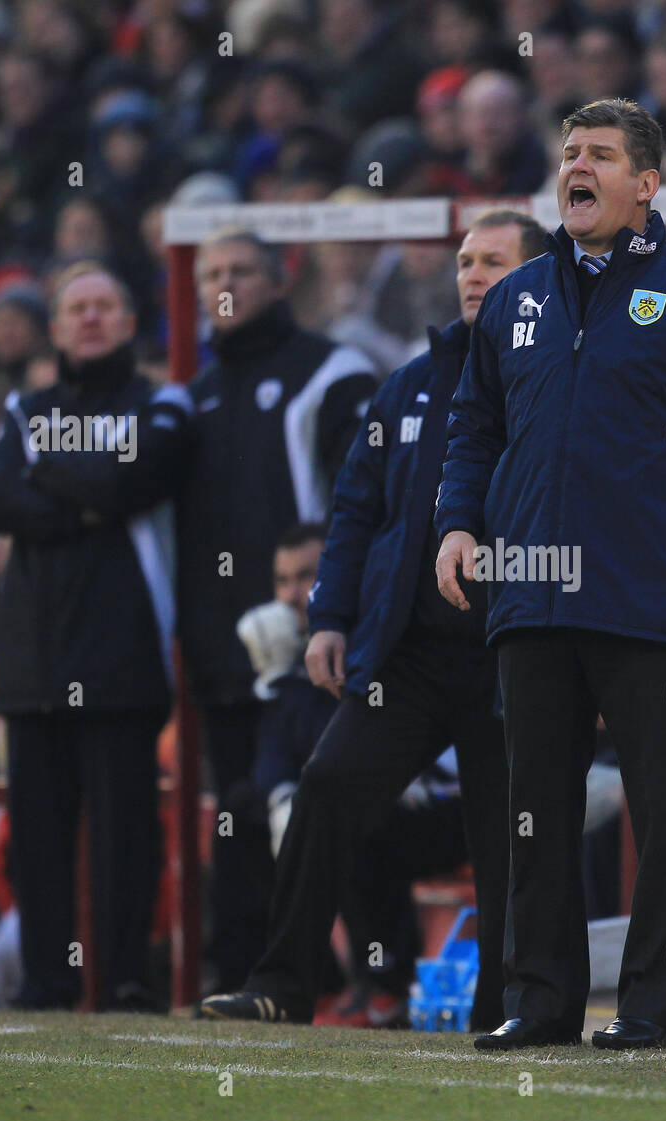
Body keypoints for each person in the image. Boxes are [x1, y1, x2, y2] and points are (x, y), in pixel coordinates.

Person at [436, 99, 666, 1050]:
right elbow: (474, 426)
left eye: (598, 154)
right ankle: (542, 1004)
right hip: (529, 593)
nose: (576, 168)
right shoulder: (517, 299)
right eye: (567, 154)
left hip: (650, 597)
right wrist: (456, 524)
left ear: (647, 182)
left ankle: (648, 1010)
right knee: (534, 814)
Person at [197, 209, 547, 1030]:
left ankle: (505, 1012)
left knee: (507, 840)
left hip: (514, 652)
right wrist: (329, 618)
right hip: (413, 653)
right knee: (324, 786)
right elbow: (353, 511)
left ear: (537, 278)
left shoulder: (563, 381)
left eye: (492, 261)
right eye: (464, 260)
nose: (470, 274)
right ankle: (285, 985)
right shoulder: (411, 383)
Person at [0, 260, 194, 1010]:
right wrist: (83, 495)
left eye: (106, 306)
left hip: (123, 656)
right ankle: (46, 983)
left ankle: (126, 982)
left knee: (125, 839)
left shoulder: (162, 400)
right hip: (30, 661)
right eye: (78, 309)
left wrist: (47, 467)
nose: (92, 318)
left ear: (130, 323)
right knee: (37, 841)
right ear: (58, 327)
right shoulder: (22, 405)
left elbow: (128, 483)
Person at [176, 226, 379, 994]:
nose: (224, 285)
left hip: (316, 650)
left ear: (278, 280)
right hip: (227, 658)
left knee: (332, 813)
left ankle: (367, 978)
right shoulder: (189, 396)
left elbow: (367, 504)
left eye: (240, 271)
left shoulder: (332, 373)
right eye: (211, 274)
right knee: (241, 818)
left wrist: (328, 614)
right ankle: (259, 980)